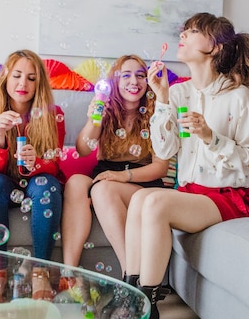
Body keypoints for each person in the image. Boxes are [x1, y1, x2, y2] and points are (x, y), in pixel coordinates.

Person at [122, 13, 249, 319]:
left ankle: (147, 310)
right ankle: (128, 297)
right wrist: (161, 100)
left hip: (230, 196)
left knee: (156, 202)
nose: (183, 34)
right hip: (192, 191)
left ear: (214, 47)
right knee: (140, 198)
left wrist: (210, 137)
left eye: (193, 31)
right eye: (184, 30)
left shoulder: (239, 97)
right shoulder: (178, 93)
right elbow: (165, 148)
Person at [60, 55, 168, 282]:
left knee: (102, 189)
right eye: (125, 75)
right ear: (115, 83)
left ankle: (130, 276)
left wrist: (122, 176)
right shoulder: (105, 110)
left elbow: (160, 168)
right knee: (76, 182)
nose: (134, 81)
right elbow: (83, 150)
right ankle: (69, 274)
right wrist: (93, 120)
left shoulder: (157, 112)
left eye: (140, 76)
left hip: (142, 182)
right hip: (107, 176)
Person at [0, 49, 66, 304]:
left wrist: (35, 162)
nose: (23, 83)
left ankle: (40, 271)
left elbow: (54, 164)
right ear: (5, 78)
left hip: (38, 183)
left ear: (39, 84)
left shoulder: (52, 114)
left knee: (46, 184)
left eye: (31, 78)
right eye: (16, 75)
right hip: (3, 184)